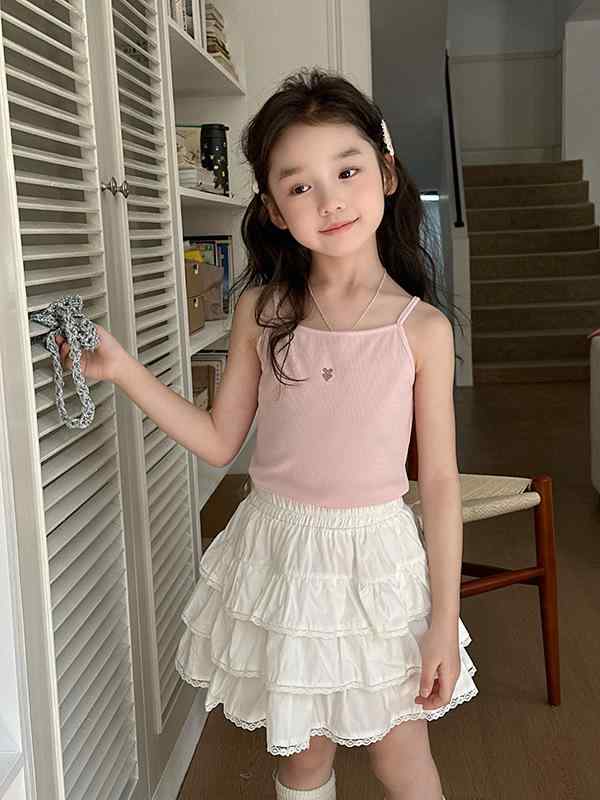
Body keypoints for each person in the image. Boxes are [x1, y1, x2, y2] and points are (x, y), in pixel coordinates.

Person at [55, 66, 478, 800]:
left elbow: (439, 483)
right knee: (304, 760)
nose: (329, 199)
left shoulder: (422, 329)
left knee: (401, 756)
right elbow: (220, 441)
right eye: (299, 185)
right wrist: (120, 368)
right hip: (281, 556)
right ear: (275, 210)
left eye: (346, 170)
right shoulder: (263, 310)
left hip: (376, 562)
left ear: (385, 173)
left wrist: (445, 618)